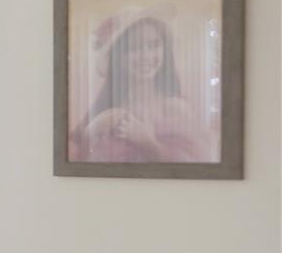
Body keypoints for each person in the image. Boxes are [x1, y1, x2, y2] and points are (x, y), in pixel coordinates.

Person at [70, 10, 213, 163]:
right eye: (134, 47)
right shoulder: (106, 111)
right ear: (119, 55)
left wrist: (147, 142)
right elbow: (78, 161)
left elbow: (192, 164)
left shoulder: (175, 109)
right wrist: (93, 130)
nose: (146, 55)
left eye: (154, 45)